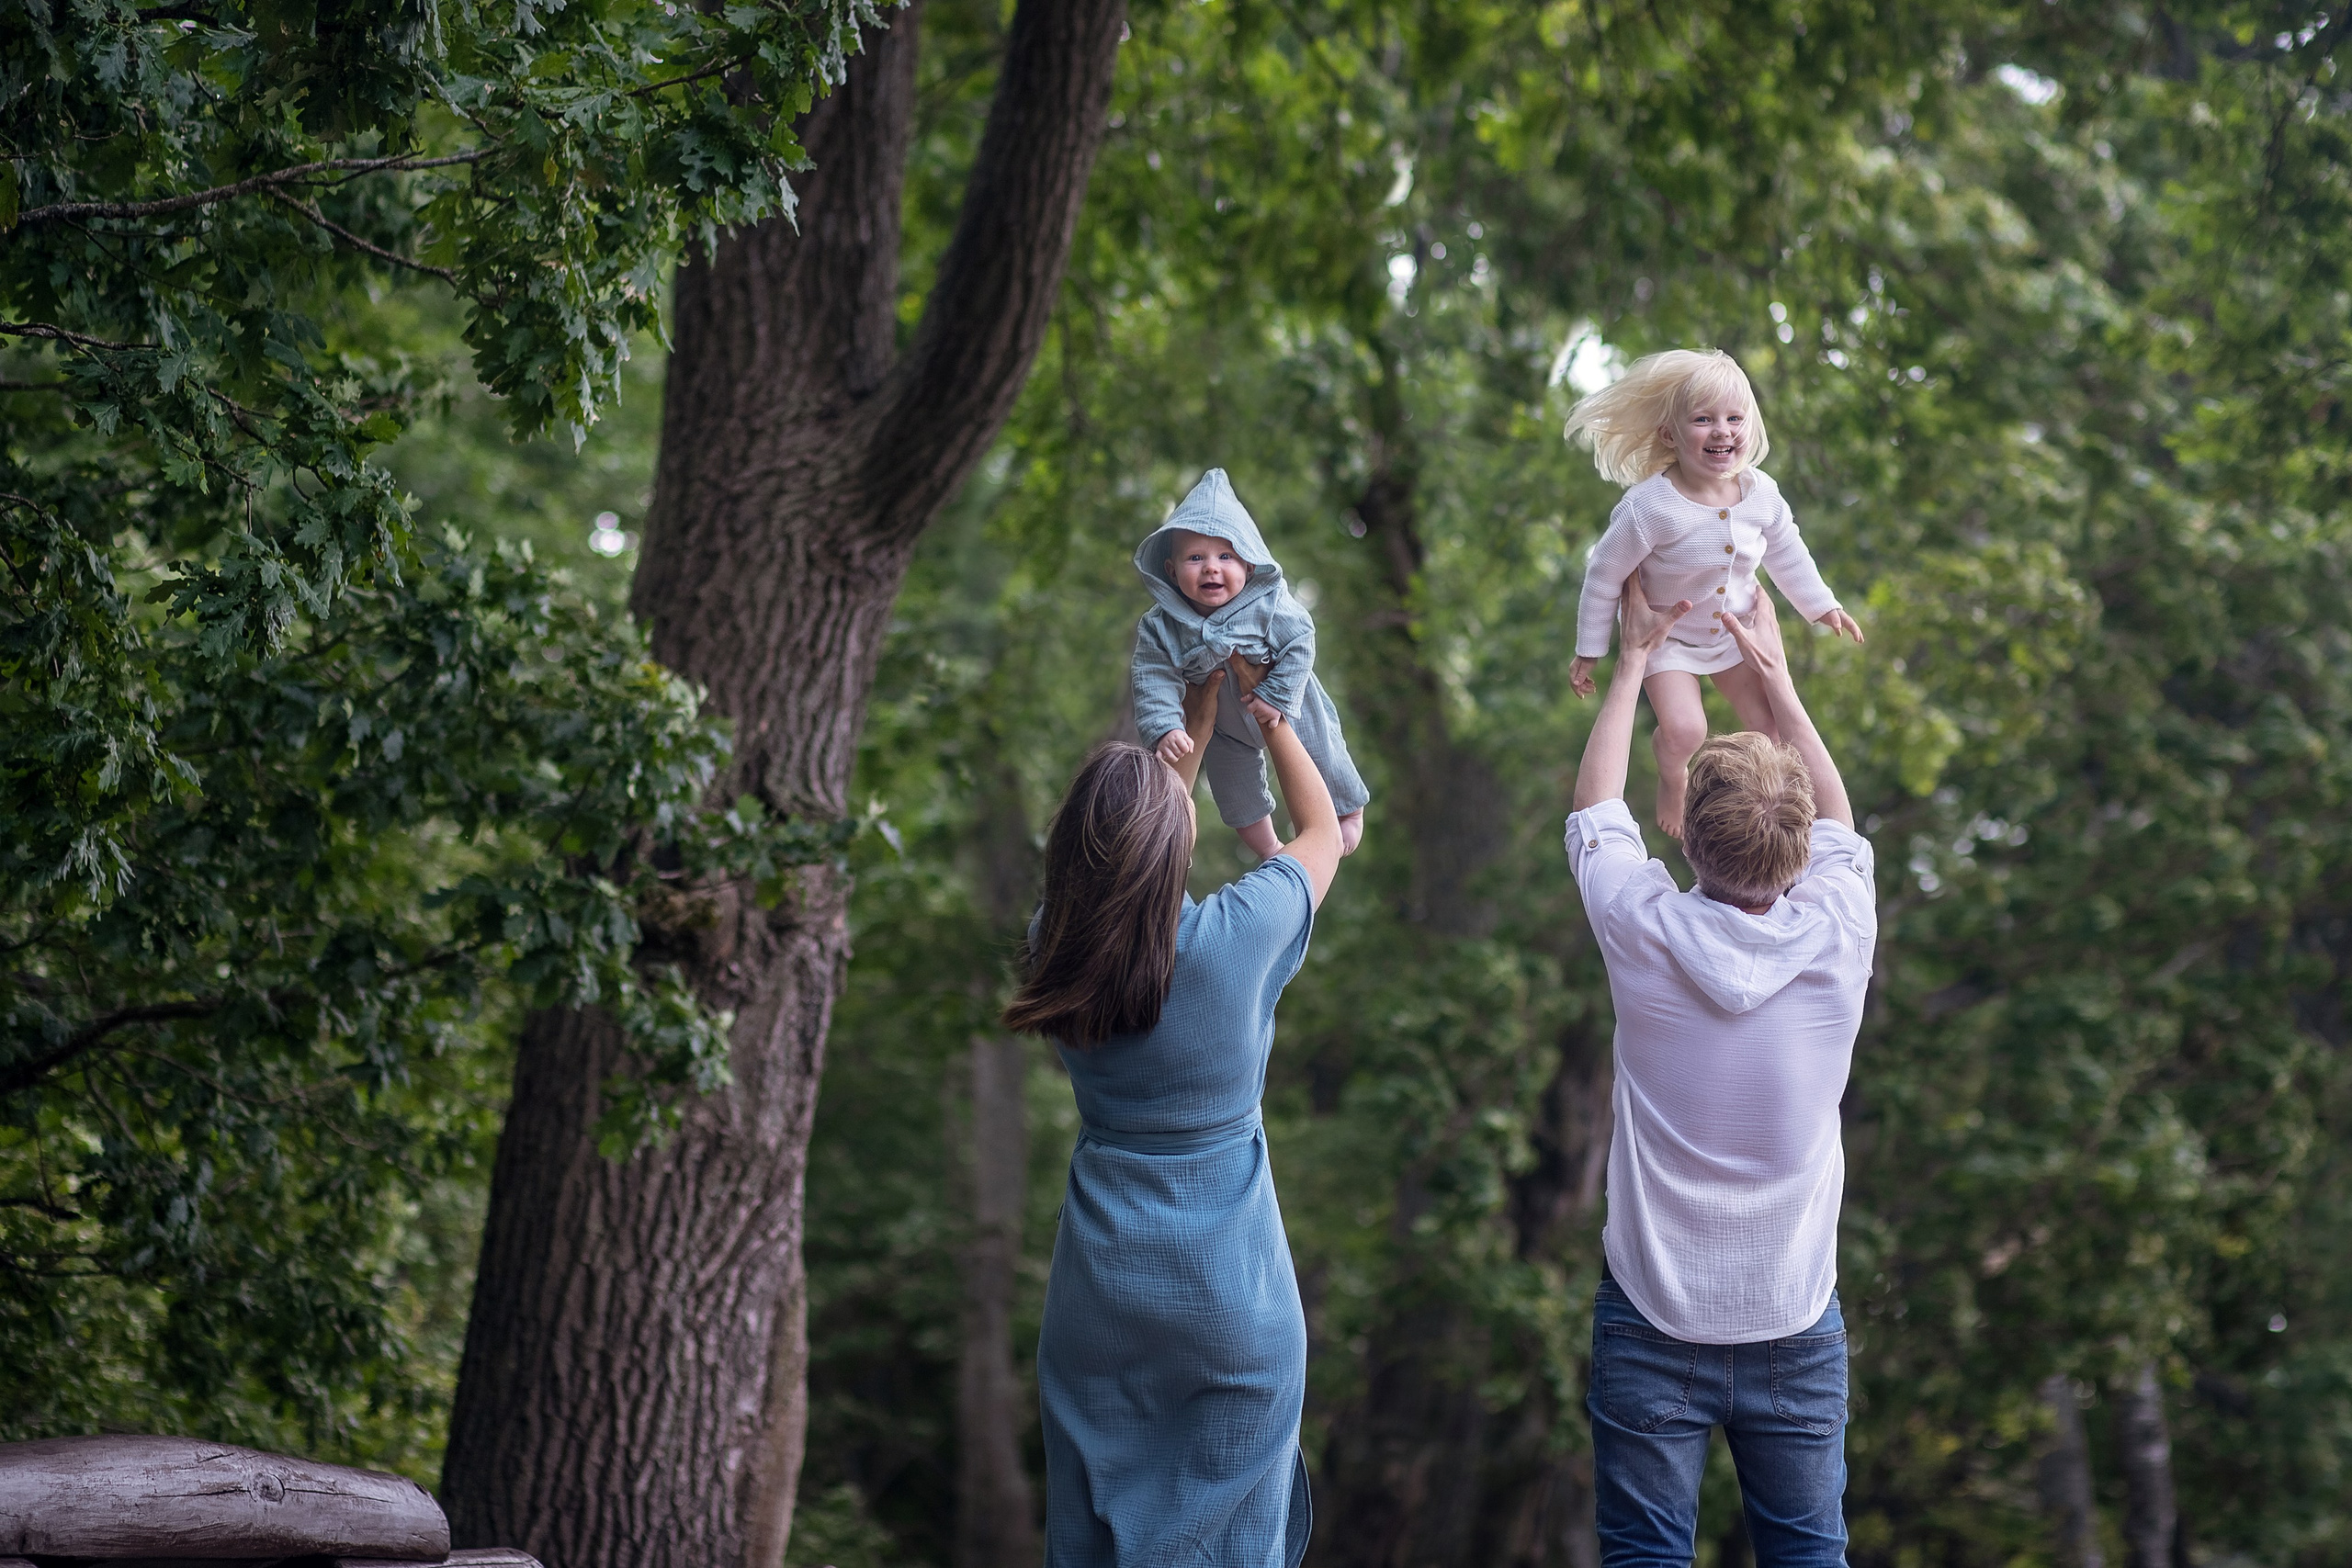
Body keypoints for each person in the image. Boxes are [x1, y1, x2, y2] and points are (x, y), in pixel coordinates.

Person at [1564, 576, 1878, 1564]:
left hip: (1652, 1321)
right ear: (1795, 855)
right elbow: (1838, 825)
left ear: (1686, 833)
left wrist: (1630, 668)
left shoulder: (1639, 924)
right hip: (1793, 1320)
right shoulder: (1841, 928)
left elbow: (1596, 806)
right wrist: (1779, 684)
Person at [1009, 652, 1344, 1568]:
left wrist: (1189, 726)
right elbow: (1321, 829)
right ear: (1176, 838)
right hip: (1230, 1303)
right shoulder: (1237, 936)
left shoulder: (1057, 946)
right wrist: (1264, 714)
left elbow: (1126, 858)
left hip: (1100, 1303)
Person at [1563, 348, 1865, 838]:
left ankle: (1768, 829)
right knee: (1686, 732)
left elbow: (1786, 549)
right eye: (1703, 420)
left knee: (1769, 731)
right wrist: (1589, 649)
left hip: (1733, 633)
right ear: (1671, 434)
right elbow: (1603, 575)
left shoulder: (1761, 493)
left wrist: (1822, 605)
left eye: (1734, 418)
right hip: (1669, 640)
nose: (1722, 430)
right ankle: (1672, 774)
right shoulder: (1649, 507)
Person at [1132, 467, 1369, 859]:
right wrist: (1165, 727)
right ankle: (1269, 847)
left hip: (1288, 705)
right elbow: (1152, 675)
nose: (1211, 567)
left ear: (1248, 564)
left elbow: (1300, 639)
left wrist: (1276, 695)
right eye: (1195, 558)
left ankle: (1348, 812)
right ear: (1172, 572)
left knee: (1323, 747)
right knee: (1232, 785)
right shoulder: (1161, 625)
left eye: (1226, 555)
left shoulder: (1268, 603)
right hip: (1224, 726)